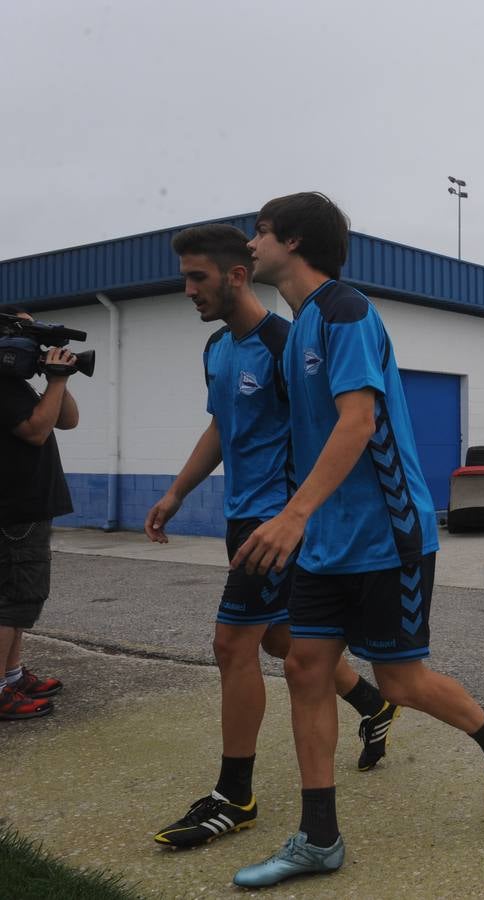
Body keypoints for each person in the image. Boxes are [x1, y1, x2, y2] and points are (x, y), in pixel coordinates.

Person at [229, 193, 484, 888]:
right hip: (325, 542)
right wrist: (297, 519)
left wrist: (291, 515)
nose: (250, 245)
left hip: (389, 536)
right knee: (305, 668)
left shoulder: (345, 312)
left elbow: (357, 423)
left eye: (259, 233)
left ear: (292, 241)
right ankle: (318, 837)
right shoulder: (298, 331)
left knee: (400, 681)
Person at [145, 224, 399, 850]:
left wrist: (300, 516)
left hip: (279, 523)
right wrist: (178, 491)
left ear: (235, 276)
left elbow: (332, 428)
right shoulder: (216, 349)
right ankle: (371, 703)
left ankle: (236, 795)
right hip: (241, 519)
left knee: (233, 643)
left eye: (197, 277)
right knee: (286, 642)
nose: (187, 290)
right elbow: (221, 425)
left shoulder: (286, 344)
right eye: (185, 277)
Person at [0, 313, 77, 721]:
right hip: (17, 509)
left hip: (27, 508)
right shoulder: (3, 385)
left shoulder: (17, 383)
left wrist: (58, 377)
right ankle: (1, 689)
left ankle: (11, 677)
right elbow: (36, 431)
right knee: (13, 600)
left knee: (19, 599)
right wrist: (57, 380)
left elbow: (67, 419)